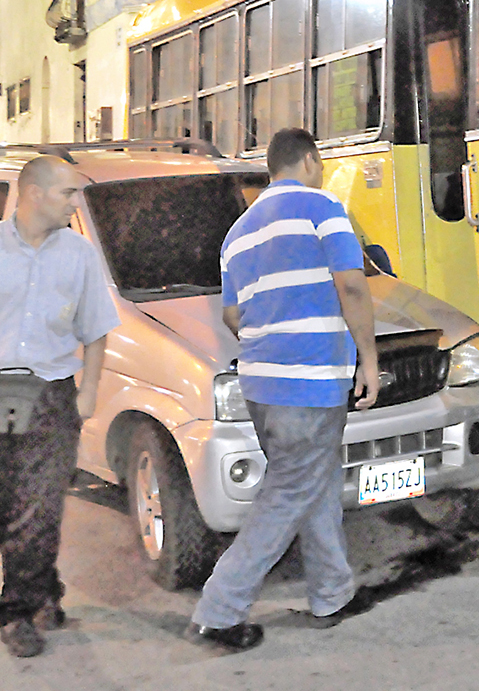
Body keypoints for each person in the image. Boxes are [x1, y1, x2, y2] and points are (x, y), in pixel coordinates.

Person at [185, 128, 380, 652]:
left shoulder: (238, 233)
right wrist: (370, 357)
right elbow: (353, 284)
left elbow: (232, 314)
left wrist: (270, 337)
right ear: (311, 160)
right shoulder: (323, 208)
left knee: (311, 481)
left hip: (261, 384)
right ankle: (219, 610)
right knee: (291, 490)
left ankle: (332, 594)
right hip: (311, 381)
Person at [0, 154, 120, 658]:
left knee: (40, 507)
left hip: (52, 395)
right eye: (67, 193)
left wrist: (89, 391)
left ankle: (14, 612)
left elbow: (96, 329)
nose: (74, 202)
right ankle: (45, 590)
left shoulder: (78, 255)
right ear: (33, 193)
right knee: (2, 508)